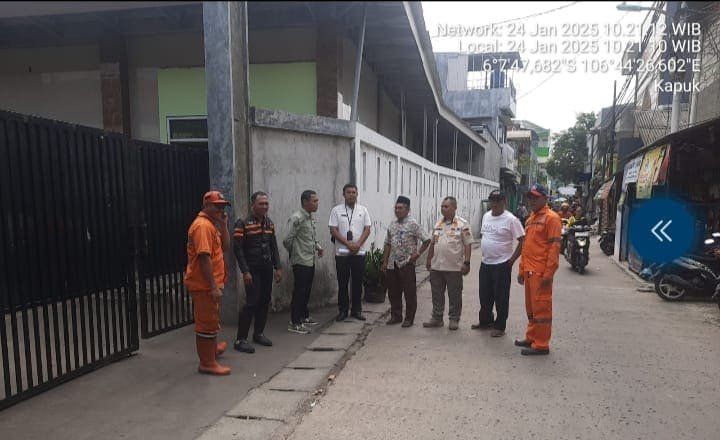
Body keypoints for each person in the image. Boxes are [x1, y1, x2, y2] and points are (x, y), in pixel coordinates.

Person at [184, 190, 232, 375]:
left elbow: (226, 247)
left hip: (210, 284)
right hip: (204, 285)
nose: (221, 210)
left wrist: (224, 224)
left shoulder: (212, 225)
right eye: (217, 206)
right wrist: (213, 287)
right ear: (206, 207)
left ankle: (211, 351)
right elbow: (204, 258)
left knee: (212, 319)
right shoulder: (202, 226)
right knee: (206, 323)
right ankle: (207, 362)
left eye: (223, 207)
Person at [232, 191, 283, 353]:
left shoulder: (269, 223)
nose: (264, 207)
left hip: (266, 268)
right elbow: (237, 249)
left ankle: (258, 334)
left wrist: (278, 267)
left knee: (264, 301)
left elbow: (273, 247)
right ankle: (240, 339)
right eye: (261, 204)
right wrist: (245, 271)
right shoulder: (242, 223)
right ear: (253, 204)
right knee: (252, 302)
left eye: (266, 204)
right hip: (252, 269)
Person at [515, 184, 562, 356]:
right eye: (530, 197)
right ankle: (531, 337)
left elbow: (554, 249)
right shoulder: (530, 219)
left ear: (545, 198)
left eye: (535, 197)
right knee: (531, 309)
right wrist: (521, 269)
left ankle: (541, 344)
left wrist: (548, 274)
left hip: (541, 273)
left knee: (542, 310)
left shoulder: (552, 218)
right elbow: (527, 247)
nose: (531, 200)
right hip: (529, 271)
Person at [472, 190, 525, 337]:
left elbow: (522, 240)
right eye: (492, 200)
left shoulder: (511, 219)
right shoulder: (486, 216)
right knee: (484, 294)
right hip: (486, 262)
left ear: (504, 202)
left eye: (498, 200)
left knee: (501, 297)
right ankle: (485, 321)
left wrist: (512, 260)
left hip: (502, 264)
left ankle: (500, 326)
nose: (494, 203)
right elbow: (486, 236)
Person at [381, 196, 431, 328]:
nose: (397, 210)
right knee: (393, 292)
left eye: (400, 208)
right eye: (396, 208)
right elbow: (387, 244)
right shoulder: (392, 224)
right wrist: (385, 261)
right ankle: (396, 316)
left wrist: (418, 254)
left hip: (407, 263)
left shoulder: (413, 224)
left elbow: (426, 240)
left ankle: (409, 318)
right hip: (393, 263)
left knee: (409, 292)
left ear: (408, 209)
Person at [423, 197, 473, 331]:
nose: (443, 209)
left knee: (454, 294)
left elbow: (468, 244)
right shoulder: (438, 224)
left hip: (454, 268)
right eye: (442, 206)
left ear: (454, 208)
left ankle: (454, 319)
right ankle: (437, 318)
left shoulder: (462, 224)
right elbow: (433, 243)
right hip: (437, 267)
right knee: (436, 293)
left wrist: (467, 263)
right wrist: (428, 259)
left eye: (446, 206)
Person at [283, 190, 324, 335]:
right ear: (306, 202)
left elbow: (310, 237)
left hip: (310, 259)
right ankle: (294, 322)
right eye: (314, 201)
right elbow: (287, 239)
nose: (317, 203)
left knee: (306, 290)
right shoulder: (297, 218)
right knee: (299, 291)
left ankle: (303, 315)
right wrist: (295, 253)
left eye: (317, 200)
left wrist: (318, 247)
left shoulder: (310, 217)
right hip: (300, 260)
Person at [329, 183, 371, 322]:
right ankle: (342, 310)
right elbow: (333, 230)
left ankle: (356, 310)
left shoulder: (363, 210)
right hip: (342, 253)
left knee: (357, 282)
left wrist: (358, 244)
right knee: (342, 282)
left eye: (354, 192)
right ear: (344, 194)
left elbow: (367, 229)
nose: (351, 195)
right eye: (348, 192)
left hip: (358, 253)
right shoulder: (336, 210)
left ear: (357, 194)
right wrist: (348, 244)